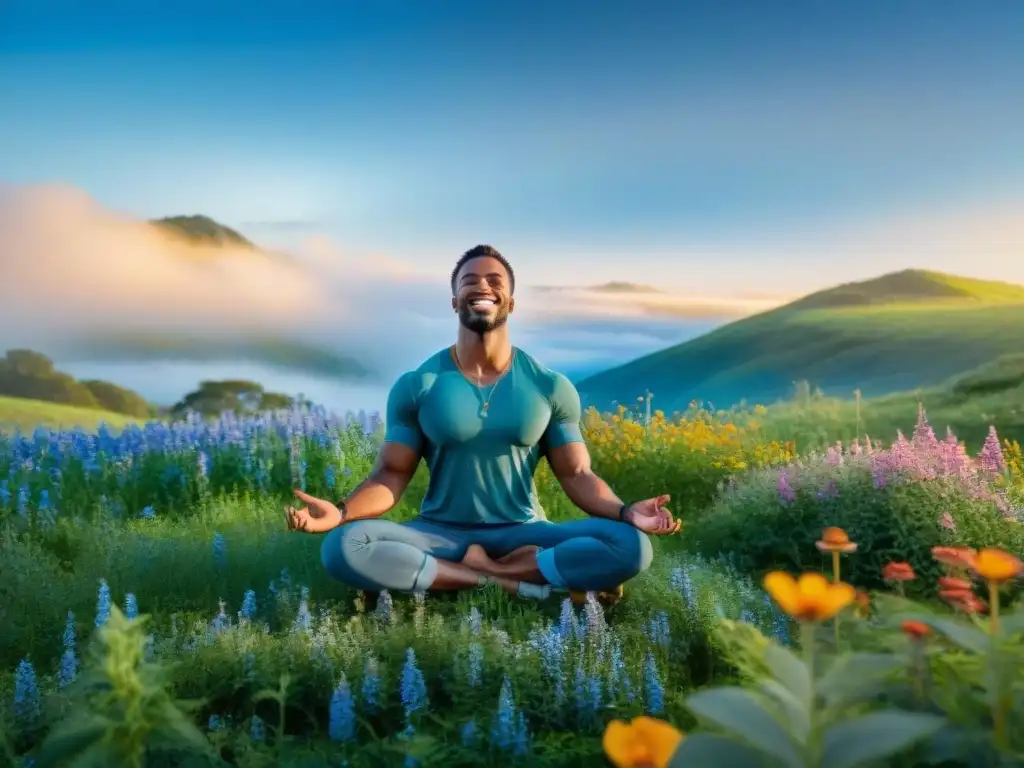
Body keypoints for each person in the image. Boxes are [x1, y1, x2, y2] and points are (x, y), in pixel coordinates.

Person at [284, 244, 679, 603]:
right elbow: (390, 475)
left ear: (511, 301)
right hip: (440, 533)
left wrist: (627, 513)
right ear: (455, 301)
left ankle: (470, 575)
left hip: (524, 531)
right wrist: (340, 512)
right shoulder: (418, 385)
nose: (482, 287)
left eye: (495, 281)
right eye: (469, 282)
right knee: (344, 546)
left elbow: (577, 474)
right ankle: (514, 582)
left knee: (630, 545)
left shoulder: (549, 386)